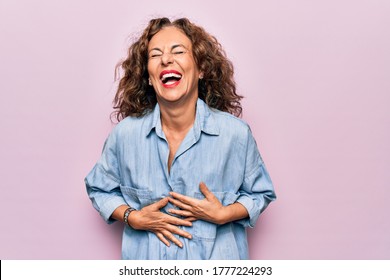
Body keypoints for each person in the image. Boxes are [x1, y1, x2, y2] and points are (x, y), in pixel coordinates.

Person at [85, 17, 276, 260]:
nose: (166, 59)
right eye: (155, 55)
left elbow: (260, 193)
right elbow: (99, 188)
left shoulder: (235, 134)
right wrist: (132, 217)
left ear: (201, 69)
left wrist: (223, 214)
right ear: (148, 77)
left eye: (178, 51)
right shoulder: (124, 136)